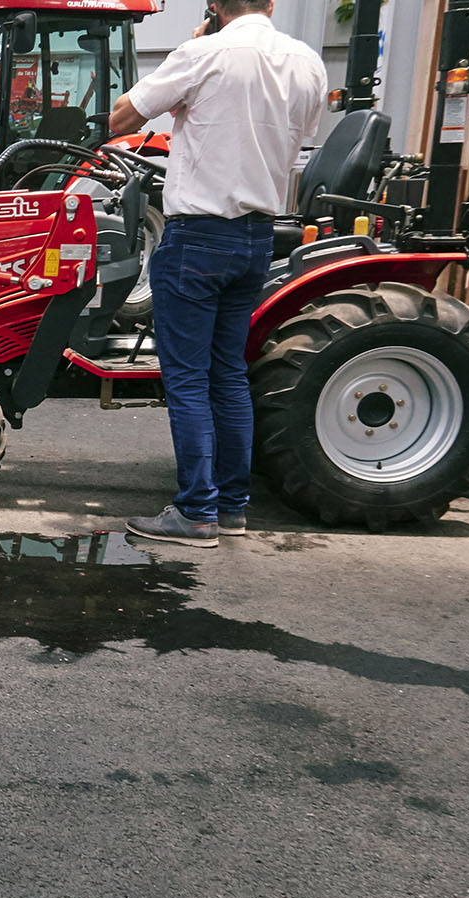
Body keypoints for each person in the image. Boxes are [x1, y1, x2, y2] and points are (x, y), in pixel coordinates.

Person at [107, 1, 326, 547]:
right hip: (257, 236)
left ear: (214, 7)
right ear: (270, 3)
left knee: (185, 377)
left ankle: (195, 512)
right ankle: (230, 507)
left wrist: (195, 47)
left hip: (198, 238)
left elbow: (121, 118)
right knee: (226, 373)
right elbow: (300, 132)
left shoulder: (203, 53)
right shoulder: (307, 62)